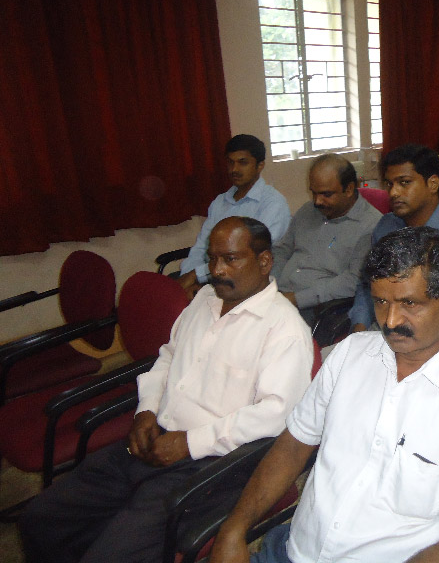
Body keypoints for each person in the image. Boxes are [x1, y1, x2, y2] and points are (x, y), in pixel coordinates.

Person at [211, 227, 439, 563]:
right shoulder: (349, 354)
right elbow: (294, 445)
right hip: (291, 551)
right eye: (381, 301)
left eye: (409, 303)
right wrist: (233, 529)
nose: (390, 321)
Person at [19, 217, 314, 563]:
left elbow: (274, 417)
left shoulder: (285, 330)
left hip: (210, 465)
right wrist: (146, 408)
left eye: (230, 259)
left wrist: (189, 443)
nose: (216, 270)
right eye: (212, 258)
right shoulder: (205, 299)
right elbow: (169, 356)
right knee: (42, 518)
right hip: (154, 438)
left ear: (264, 262)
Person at [349, 144, 439, 334]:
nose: (393, 192)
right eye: (389, 184)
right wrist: (359, 330)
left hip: (434, 337)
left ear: (433, 184)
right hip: (381, 330)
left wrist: (412, 342)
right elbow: (368, 286)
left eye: (404, 182)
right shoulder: (386, 227)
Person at [271, 154, 382, 324]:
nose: (317, 201)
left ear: (349, 189)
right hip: (277, 297)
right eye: (314, 193)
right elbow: (282, 250)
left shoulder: (371, 225)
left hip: (316, 309)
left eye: (326, 194)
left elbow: (354, 281)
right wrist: (271, 285)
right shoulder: (307, 211)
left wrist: (297, 299)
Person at [178, 135, 291, 299]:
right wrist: (189, 276)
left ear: (260, 165)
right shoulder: (220, 202)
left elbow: (248, 256)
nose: (234, 169)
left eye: (242, 162)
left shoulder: (273, 203)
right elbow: (201, 247)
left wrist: (197, 276)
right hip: (209, 277)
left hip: (245, 282)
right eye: (230, 162)